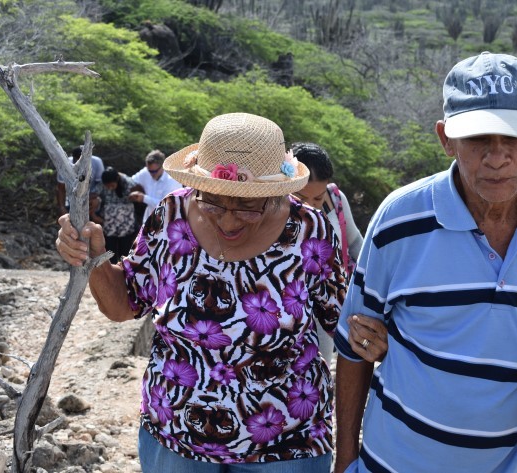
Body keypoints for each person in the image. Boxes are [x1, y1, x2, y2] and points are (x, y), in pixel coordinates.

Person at [333, 51, 517, 473]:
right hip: (395, 462)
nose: (497, 156)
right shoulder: (400, 220)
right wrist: (345, 462)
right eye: (478, 138)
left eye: (513, 138)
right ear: (445, 138)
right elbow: (353, 344)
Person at [55, 113, 346, 472]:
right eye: (212, 202)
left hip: (285, 443)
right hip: (176, 434)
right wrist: (94, 257)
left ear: (275, 194)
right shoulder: (171, 214)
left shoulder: (310, 232)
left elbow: (344, 325)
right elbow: (122, 305)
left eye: (247, 205)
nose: (228, 220)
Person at [292, 142, 364, 368]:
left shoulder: (336, 199)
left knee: (320, 362)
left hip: (328, 299)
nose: (310, 208)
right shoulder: (273, 208)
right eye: (301, 198)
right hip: (290, 305)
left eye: (317, 199)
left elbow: (354, 242)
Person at [95, 166, 140, 263]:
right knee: (110, 251)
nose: (109, 188)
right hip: (109, 225)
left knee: (125, 251)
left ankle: (125, 269)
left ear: (117, 180)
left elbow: (138, 194)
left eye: (112, 185)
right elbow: (95, 195)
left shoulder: (128, 183)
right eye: (107, 186)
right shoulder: (102, 184)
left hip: (126, 224)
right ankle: (111, 269)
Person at [130, 149, 183, 225]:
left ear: (163, 166)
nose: (152, 174)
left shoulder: (172, 181)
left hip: (169, 223)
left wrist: (144, 198)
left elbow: (166, 206)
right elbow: (130, 181)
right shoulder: (146, 172)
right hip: (149, 222)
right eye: (150, 171)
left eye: (155, 171)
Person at [56, 145, 105, 217]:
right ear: (74, 158)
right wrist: (62, 207)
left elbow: (101, 184)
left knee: (95, 203)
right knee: (63, 216)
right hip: (71, 199)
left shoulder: (97, 162)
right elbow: (60, 188)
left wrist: (93, 196)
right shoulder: (64, 165)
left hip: (91, 196)